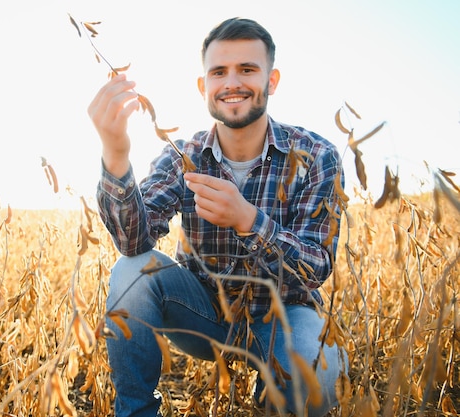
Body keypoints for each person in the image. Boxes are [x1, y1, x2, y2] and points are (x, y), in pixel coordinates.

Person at [88, 17, 347, 417]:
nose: (232, 82)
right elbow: (132, 244)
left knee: (318, 370)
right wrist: (117, 156)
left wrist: (248, 219)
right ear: (203, 86)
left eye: (247, 69)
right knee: (131, 271)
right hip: (203, 314)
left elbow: (315, 268)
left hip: (286, 316)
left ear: (271, 80)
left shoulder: (317, 156)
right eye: (219, 72)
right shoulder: (184, 155)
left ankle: (274, 401)